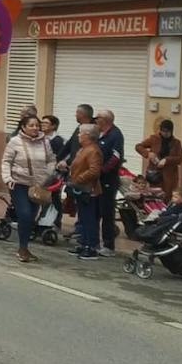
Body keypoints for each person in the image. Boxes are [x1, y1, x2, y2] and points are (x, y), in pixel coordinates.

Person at [1, 113, 55, 263]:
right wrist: (7, 178)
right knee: (24, 214)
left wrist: (47, 174)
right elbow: (6, 161)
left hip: (37, 186)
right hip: (18, 184)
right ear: (23, 127)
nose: (35, 128)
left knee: (31, 217)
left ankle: (25, 246)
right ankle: (22, 248)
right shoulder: (15, 142)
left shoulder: (45, 142)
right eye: (31, 125)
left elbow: (51, 160)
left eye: (37, 125)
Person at [66, 124, 103, 260]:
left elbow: (94, 171)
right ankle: (84, 243)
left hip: (89, 190)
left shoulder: (93, 151)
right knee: (83, 217)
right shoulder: (83, 149)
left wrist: (78, 179)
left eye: (80, 133)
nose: (78, 135)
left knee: (89, 219)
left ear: (87, 135)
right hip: (80, 189)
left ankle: (91, 247)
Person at [93, 109, 124, 256]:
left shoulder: (115, 135)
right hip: (97, 179)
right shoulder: (99, 134)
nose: (95, 121)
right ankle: (93, 242)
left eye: (97, 118)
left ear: (104, 120)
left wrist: (103, 170)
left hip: (108, 180)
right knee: (96, 211)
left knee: (107, 212)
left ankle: (108, 245)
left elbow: (116, 157)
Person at [135, 119, 182, 192]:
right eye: (163, 131)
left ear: (171, 131)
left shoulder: (176, 143)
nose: (165, 133)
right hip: (154, 174)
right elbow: (138, 146)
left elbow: (181, 158)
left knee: (168, 195)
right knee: (154, 194)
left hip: (169, 176)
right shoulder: (154, 139)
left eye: (167, 131)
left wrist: (167, 160)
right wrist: (148, 153)